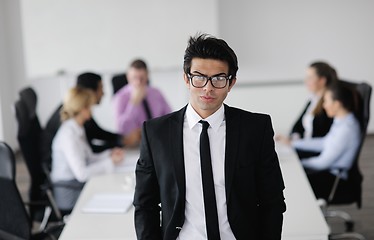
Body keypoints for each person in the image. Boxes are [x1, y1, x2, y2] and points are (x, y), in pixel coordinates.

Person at [133, 34, 286, 239]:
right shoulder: (156, 133)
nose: (208, 88)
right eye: (199, 77)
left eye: (219, 79)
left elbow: (272, 201)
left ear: (231, 83)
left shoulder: (255, 129)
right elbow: (145, 205)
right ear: (186, 79)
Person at [51, 87, 124, 211]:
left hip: (77, 184)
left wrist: (109, 154)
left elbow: (88, 158)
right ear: (82, 108)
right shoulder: (68, 135)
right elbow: (82, 174)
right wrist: (110, 162)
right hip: (70, 191)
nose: (92, 110)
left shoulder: (77, 128)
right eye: (90, 107)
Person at [291, 82, 361, 200]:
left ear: (337, 104)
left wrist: (298, 164)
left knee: (293, 182)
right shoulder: (341, 121)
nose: (323, 105)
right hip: (327, 172)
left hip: (333, 180)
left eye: (326, 101)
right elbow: (324, 142)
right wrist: (293, 143)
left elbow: (323, 162)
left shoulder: (346, 129)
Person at [42, 72, 125, 165]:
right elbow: (89, 151)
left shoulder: (76, 111)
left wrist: (120, 140)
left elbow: (97, 133)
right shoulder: (72, 119)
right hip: (59, 169)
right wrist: (120, 143)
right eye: (101, 88)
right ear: (90, 92)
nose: (103, 93)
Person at [277, 61, 338, 158]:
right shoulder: (313, 99)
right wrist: (292, 138)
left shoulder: (328, 106)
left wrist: (293, 143)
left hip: (313, 153)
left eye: (310, 78)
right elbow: (297, 125)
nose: (306, 81)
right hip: (301, 146)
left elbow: (322, 142)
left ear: (322, 80)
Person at [114, 59, 171, 146]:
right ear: (128, 77)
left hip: (158, 140)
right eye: (134, 78)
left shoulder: (156, 93)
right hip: (135, 145)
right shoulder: (120, 97)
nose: (138, 82)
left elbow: (170, 117)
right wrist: (133, 103)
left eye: (142, 78)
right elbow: (122, 129)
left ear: (147, 75)